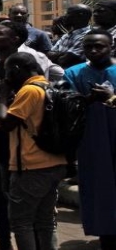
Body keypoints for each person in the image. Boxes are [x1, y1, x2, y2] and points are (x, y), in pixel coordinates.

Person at [0, 52, 67, 250]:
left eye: (8, 72)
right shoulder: (49, 86)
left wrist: (3, 97)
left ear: (16, 69)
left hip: (31, 166)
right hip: (55, 163)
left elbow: (7, 124)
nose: (6, 77)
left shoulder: (29, 90)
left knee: (22, 223)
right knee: (45, 221)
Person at [63, 29, 116, 249]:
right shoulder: (74, 73)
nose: (93, 51)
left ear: (111, 46)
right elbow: (65, 108)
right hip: (92, 144)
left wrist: (111, 97)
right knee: (99, 192)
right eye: (88, 46)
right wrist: (86, 99)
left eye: (99, 46)